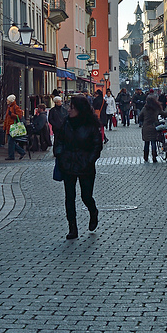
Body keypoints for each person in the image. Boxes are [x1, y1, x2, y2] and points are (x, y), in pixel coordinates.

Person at [53, 94, 103, 239]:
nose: (69, 110)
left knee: (86, 196)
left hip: (85, 166)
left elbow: (96, 145)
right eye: (69, 107)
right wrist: (60, 155)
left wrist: (89, 160)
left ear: (80, 109)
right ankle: (72, 228)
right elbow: (59, 141)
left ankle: (93, 212)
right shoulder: (66, 123)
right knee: (70, 197)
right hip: (68, 165)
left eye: (72, 108)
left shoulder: (91, 124)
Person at [139, 94, 162, 162]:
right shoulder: (156, 108)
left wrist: (142, 121)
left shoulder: (144, 109)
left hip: (146, 127)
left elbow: (140, 117)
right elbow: (163, 113)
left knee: (146, 143)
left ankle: (146, 157)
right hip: (154, 127)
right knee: (153, 142)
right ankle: (154, 157)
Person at [3, 94, 26, 161]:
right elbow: (7, 119)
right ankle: (20, 152)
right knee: (11, 142)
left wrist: (12, 115)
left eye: (7, 100)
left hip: (13, 128)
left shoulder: (15, 107)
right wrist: (4, 127)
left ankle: (12, 155)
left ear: (10, 101)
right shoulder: (9, 107)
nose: (6, 101)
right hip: (10, 127)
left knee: (11, 142)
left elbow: (19, 116)